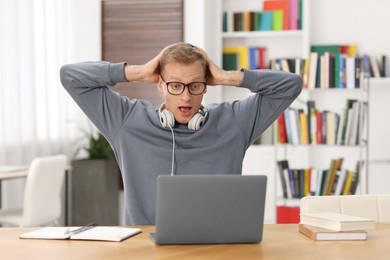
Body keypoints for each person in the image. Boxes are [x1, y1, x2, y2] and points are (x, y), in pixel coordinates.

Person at [60, 42, 302, 225]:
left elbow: (291, 84)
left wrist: (228, 76)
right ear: (160, 84)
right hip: (144, 250)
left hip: (217, 248)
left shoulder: (234, 122)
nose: (186, 97)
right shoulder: (127, 120)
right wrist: (137, 72)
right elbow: (70, 76)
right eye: (175, 85)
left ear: (207, 85)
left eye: (195, 85)